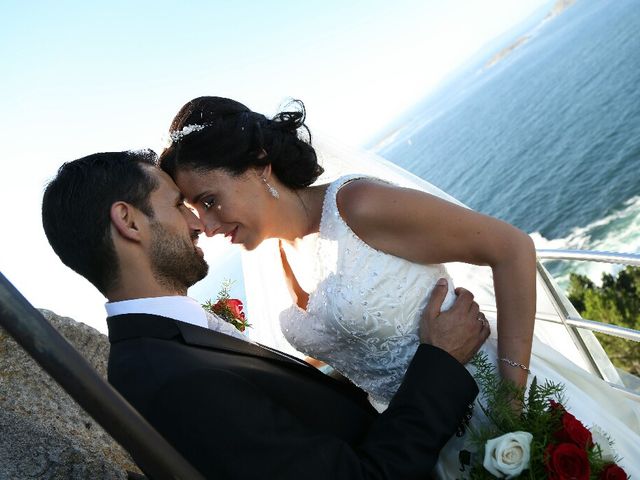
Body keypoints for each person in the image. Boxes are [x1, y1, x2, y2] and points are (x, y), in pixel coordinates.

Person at [159, 96, 640, 477]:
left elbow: (511, 247)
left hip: (506, 404)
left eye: (210, 200)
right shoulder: (280, 255)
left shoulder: (357, 205)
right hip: (424, 443)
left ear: (259, 165)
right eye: (195, 212)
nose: (209, 225)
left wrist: (514, 408)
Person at [41, 150, 489, 479]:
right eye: (179, 205)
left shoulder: (163, 347)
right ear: (129, 221)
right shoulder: (165, 378)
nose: (200, 225)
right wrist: (441, 363)